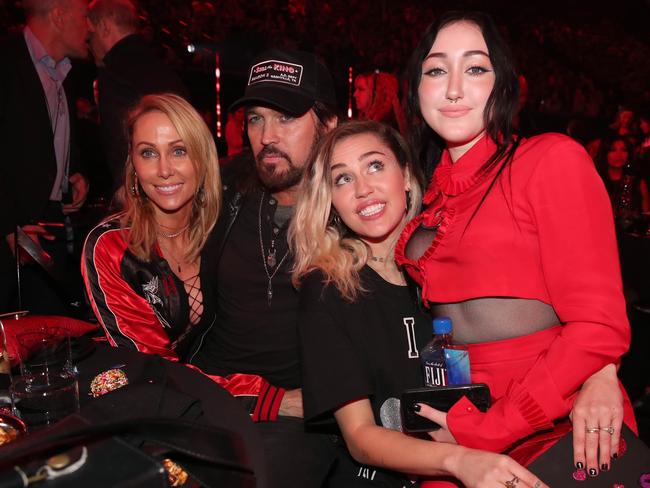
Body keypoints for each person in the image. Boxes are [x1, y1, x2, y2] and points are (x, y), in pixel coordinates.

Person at [394, 11, 636, 483]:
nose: (454, 88)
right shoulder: (425, 193)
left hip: (548, 414)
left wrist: (598, 373)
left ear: (505, 85)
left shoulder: (549, 159)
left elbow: (598, 325)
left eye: (476, 68)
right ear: (416, 89)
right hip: (457, 410)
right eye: (437, 70)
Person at [291, 120, 549, 487]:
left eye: (375, 166)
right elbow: (360, 437)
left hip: (487, 459)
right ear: (330, 202)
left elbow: (539, 334)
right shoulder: (328, 289)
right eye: (342, 179)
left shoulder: (450, 263)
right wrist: (461, 461)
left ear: (407, 177)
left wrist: (598, 374)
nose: (363, 189)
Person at [189, 48, 339, 487]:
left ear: (328, 126)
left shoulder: (353, 214)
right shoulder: (224, 196)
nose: (267, 136)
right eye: (256, 119)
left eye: (285, 118)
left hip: (298, 413)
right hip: (206, 394)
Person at [82, 93, 220, 361]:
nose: (164, 169)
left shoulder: (218, 228)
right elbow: (151, 366)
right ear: (134, 166)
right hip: (138, 390)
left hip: (203, 386)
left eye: (179, 151)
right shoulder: (113, 247)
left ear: (203, 159)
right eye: (148, 153)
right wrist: (266, 398)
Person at [0, 0, 90, 315]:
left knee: (49, 335)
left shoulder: (63, 72)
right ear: (58, 15)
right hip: (10, 231)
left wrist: (73, 171)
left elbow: (43, 138)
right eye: (85, 16)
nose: (89, 27)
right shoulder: (7, 62)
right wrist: (8, 223)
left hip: (46, 225)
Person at [87, 0, 188, 195]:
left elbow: (119, 149)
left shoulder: (113, 73)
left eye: (90, 36)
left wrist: (124, 194)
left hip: (142, 197)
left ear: (104, 27)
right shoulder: (165, 71)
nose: (89, 45)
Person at [595, 136, 649, 216]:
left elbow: (646, 215)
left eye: (624, 150)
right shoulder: (597, 182)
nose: (619, 155)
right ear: (605, 153)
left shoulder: (638, 183)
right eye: (613, 150)